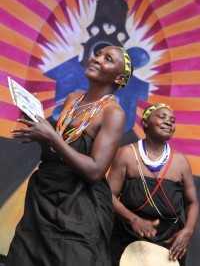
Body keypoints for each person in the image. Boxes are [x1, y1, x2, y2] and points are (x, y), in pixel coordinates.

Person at [6, 46, 133, 266]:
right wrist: (38, 127)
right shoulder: (73, 99)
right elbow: (58, 151)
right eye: (98, 54)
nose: (97, 59)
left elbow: (94, 171)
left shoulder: (114, 113)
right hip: (44, 199)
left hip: (79, 208)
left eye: (108, 59)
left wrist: (52, 137)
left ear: (119, 77)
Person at [107, 103, 199, 266]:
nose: (169, 122)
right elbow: (108, 195)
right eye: (161, 117)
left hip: (169, 241)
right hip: (127, 235)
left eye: (172, 120)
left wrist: (188, 231)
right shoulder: (127, 154)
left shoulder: (180, 161)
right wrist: (133, 219)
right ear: (145, 122)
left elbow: (192, 202)